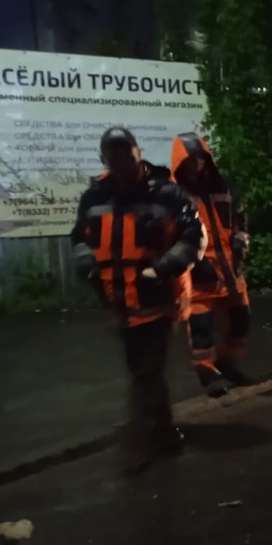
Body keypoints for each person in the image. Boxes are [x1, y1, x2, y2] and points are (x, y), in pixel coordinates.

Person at [71, 127, 204, 473]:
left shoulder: (167, 194)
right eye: (112, 156)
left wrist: (162, 268)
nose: (120, 162)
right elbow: (80, 235)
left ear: (138, 152)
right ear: (104, 159)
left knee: (146, 372)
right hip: (119, 301)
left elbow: (194, 237)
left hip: (159, 299)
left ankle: (138, 445)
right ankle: (165, 434)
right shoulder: (94, 197)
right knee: (145, 370)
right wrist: (84, 259)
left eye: (126, 154)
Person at [171, 133, 253, 397]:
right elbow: (169, 233)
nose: (196, 163)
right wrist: (192, 261)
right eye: (190, 159)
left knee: (241, 318)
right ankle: (206, 371)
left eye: (200, 157)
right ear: (179, 162)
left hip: (230, 268)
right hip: (199, 273)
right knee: (201, 327)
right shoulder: (174, 194)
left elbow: (240, 217)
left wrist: (241, 242)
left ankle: (227, 364)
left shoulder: (222, 185)